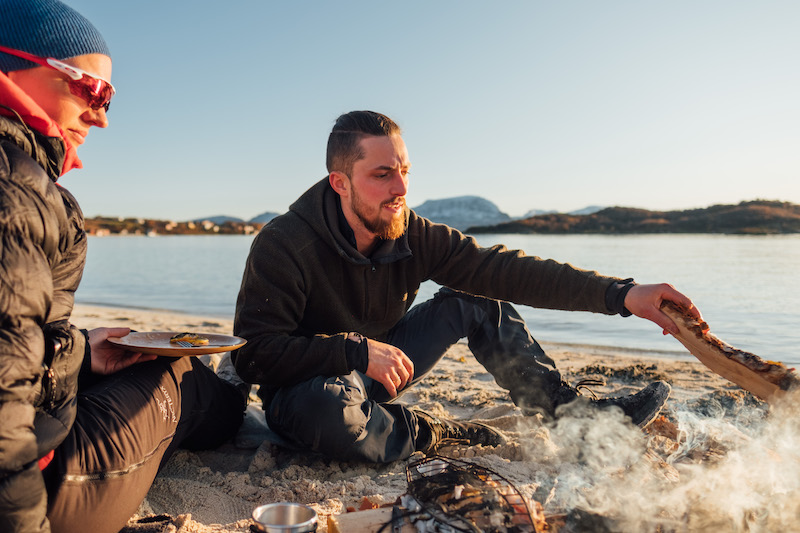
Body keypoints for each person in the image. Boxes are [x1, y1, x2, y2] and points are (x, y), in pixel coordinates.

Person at [232, 110, 700, 464]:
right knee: (329, 417)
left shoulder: (410, 232)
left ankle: (569, 415)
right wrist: (352, 352)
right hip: (309, 388)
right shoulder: (284, 243)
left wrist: (622, 295)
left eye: (405, 172)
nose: (400, 189)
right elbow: (252, 355)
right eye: (382, 175)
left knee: (478, 300)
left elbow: (506, 270)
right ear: (340, 182)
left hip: (380, 367)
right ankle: (431, 432)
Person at [0, 2, 245, 532]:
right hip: (40, 491)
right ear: (13, 66)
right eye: (92, 89)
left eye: (107, 97)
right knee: (175, 371)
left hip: (32, 440)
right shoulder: (14, 189)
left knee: (134, 356)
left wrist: (83, 353)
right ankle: (232, 397)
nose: (102, 115)